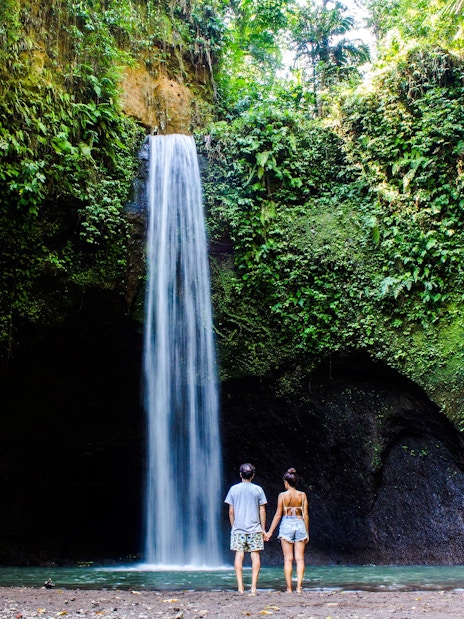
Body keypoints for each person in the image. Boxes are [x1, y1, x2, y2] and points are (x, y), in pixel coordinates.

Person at [264, 468, 309, 593]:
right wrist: (307, 531)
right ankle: (299, 587)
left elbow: (278, 515)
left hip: (287, 524)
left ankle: (289, 589)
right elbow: (305, 515)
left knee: (288, 559)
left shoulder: (282, 496)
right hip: (300, 523)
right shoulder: (302, 495)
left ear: (286, 482)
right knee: (300, 558)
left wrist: (270, 532)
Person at [224, 463, 267, 595]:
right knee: (255, 555)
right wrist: (263, 529)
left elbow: (231, 511)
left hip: (238, 529)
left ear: (240, 474)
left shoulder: (233, 489)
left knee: (239, 555)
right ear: (253, 475)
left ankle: (240, 588)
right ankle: (253, 588)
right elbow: (262, 510)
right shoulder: (258, 490)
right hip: (255, 528)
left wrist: (233, 527)